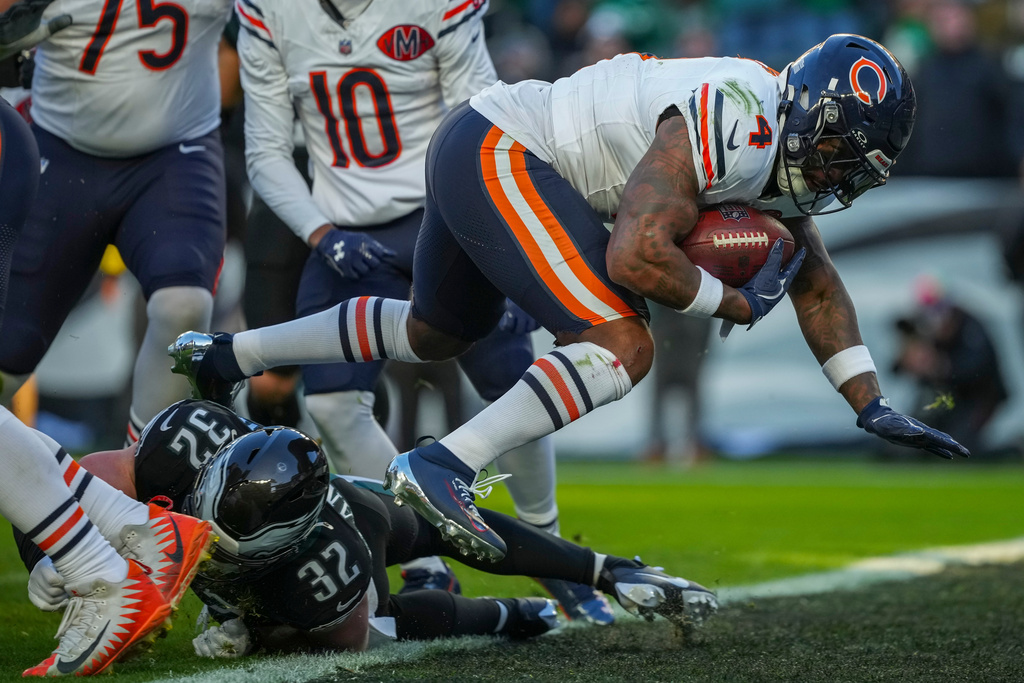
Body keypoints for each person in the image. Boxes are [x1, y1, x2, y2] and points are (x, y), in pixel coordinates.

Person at [171, 34, 970, 564]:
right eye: (836, 156)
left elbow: (816, 279)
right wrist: (730, 303)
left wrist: (867, 401)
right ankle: (444, 463)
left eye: (852, 171)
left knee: (435, 330)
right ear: (809, 116)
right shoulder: (739, 118)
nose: (834, 179)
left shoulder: (776, 141)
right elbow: (634, 252)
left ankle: (228, 353)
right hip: (503, 149)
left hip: (481, 142)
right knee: (626, 342)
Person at [234, 0, 613, 622]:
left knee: (509, 373)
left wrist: (502, 236)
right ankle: (420, 552)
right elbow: (267, 150)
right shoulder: (272, 13)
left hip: (445, 215)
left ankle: (550, 550)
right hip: (345, 232)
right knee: (330, 402)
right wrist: (320, 233)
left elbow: (489, 114)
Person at [21, 397, 719, 655]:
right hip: (327, 500)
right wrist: (55, 551)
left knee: (414, 580)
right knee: (442, 534)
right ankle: (601, 571)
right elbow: (81, 474)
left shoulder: (319, 564)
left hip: (359, 520)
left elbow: (350, 634)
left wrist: (250, 619)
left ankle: (522, 608)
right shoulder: (184, 445)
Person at [0, 6, 214, 674]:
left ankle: (109, 550)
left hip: (165, 148)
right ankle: (132, 528)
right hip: (52, 143)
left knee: (185, 304)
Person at [0, 0, 235, 447]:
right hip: (60, 147)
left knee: (183, 307)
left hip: (175, 155)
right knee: (6, 362)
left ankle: (141, 477)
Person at [892, 278, 1008, 456]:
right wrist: (908, 359)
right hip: (944, 396)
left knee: (960, 446)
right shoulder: (920, 325)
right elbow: (895, 369)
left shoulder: (972, 327)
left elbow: (979, 368)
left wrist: (941, 367)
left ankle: (1010, 452)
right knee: (914, 440)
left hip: (979, 398)